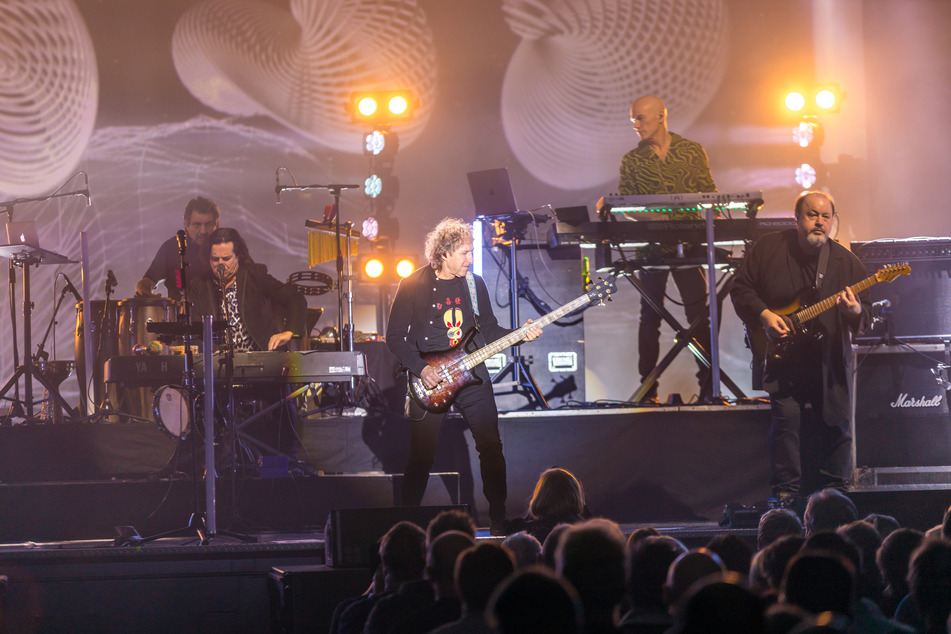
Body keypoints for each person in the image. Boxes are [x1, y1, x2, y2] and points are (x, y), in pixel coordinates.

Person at [385, 217, 542, 535]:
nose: (471, 259)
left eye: (471, 252)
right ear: (443, 253)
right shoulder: (413, 284)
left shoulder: (474, 283)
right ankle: (405, 525)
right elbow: (394, 337)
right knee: (422, 458)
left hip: (472, 372)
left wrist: (519, 334)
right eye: (465, 253)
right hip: (429, 378)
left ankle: (498, 519)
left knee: (491, 446)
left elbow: (490, 331)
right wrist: (422, 369)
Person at [730, 191, 871, 505]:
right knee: (785, 428)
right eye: (812, 215)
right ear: (796, 218)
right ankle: (785, 497)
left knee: (836, 425)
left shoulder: (845, 261)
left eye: (825, 216)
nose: (819, 222)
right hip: (784, 358)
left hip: (828, 362)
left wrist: (855, 313)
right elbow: (740, 287)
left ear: (833, 221)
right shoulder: (768, 248)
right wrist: (765, 315)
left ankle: (835, 497)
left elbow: (867, 312)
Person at [618, 94, 718, 404]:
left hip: (689, 244)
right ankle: (649, 392)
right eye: (633, 119)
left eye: (641, 118)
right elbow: (626, 204)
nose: (635, 124)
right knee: (650, 317)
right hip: (652, 249)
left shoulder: (691, 151)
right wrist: (656, 217)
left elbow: (709, 193)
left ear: (661, 116)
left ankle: (710, 389)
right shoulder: (631, 160)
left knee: (700, 316)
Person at [188, 227, 306, 352]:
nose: (220, 264)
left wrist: (289, 332)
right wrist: (213, 351)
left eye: (226, 258)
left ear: (238, 256)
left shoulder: (255, 275)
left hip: (261, 358)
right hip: (219, 364)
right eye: (215, 259)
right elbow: (194, 334)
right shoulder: (200, 285)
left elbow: (295, 298)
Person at [136, 196, 219, 300]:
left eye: (208, 225)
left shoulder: (227, 248)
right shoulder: (171, 248)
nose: (203, 231)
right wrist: (144, 290)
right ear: (186, 225)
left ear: (217, 225)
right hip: (180, 315)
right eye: (197, 225)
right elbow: (148, 280)